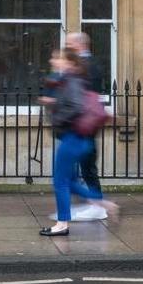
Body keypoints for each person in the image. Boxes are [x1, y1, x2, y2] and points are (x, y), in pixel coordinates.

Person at [39, 48, 118, 237]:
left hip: (73, 138)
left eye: (58, 58)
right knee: (71, 181)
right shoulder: (68, 80)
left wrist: (56, 115)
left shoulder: (71, 81)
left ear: (70, 63)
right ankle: (104, 203)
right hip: (75, 139)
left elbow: (75, 106)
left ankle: (62, 224)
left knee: (60, 182)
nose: (53, 61)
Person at [64, 32, 106, 221]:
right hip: (80, 122)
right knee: (80, 164)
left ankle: (98, 205)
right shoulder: (83, 65)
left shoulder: (88, 66)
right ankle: (93, 202)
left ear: (80, 45)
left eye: (69, 44)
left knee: (87, 165)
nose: (66, 47)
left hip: (85, 122)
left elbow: (84, 96)